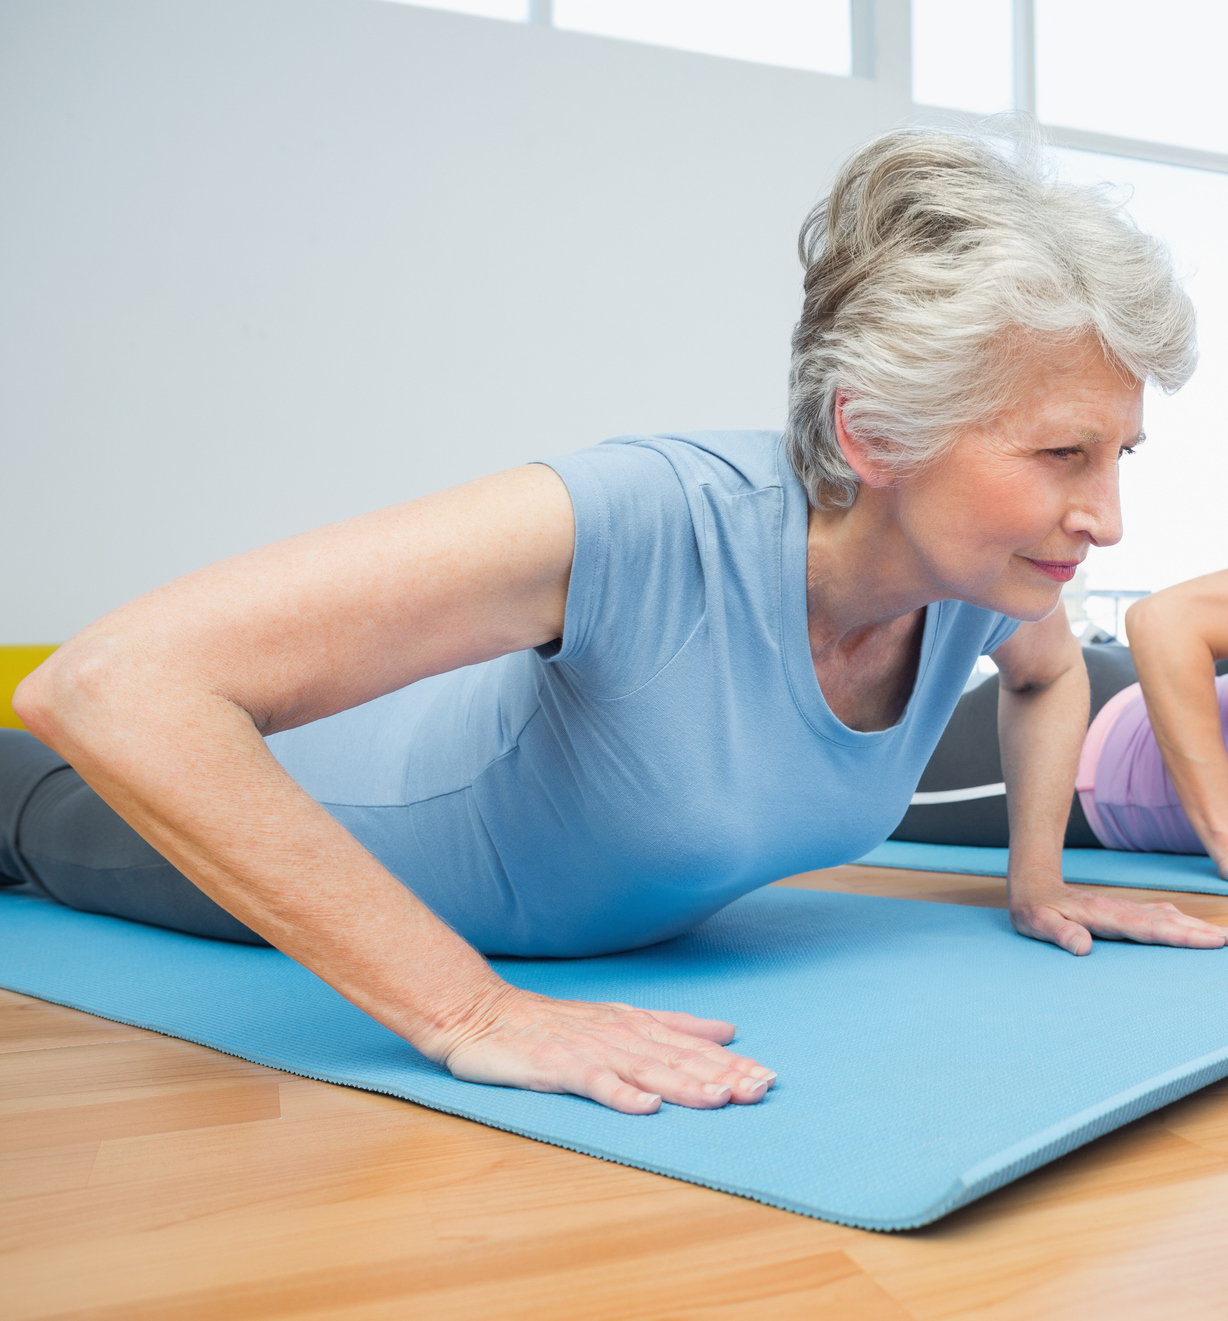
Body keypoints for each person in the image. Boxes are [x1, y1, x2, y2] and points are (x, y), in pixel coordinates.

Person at [5, 130, 1225, 1119]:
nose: (1105, 517)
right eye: (1062, 453)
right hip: (224, 832)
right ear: (873, 435)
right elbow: (111, 686)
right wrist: (469, 1012)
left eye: (1118, 453)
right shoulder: (651, 515)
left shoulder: (980, 582)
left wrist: (1036, 880)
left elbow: (1048, 677)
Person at [893, 577, 1228, 874]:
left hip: (1126, 683)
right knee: (869, 804)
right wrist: (1222, 833)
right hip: (1088, 737)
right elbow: (1162, 618)